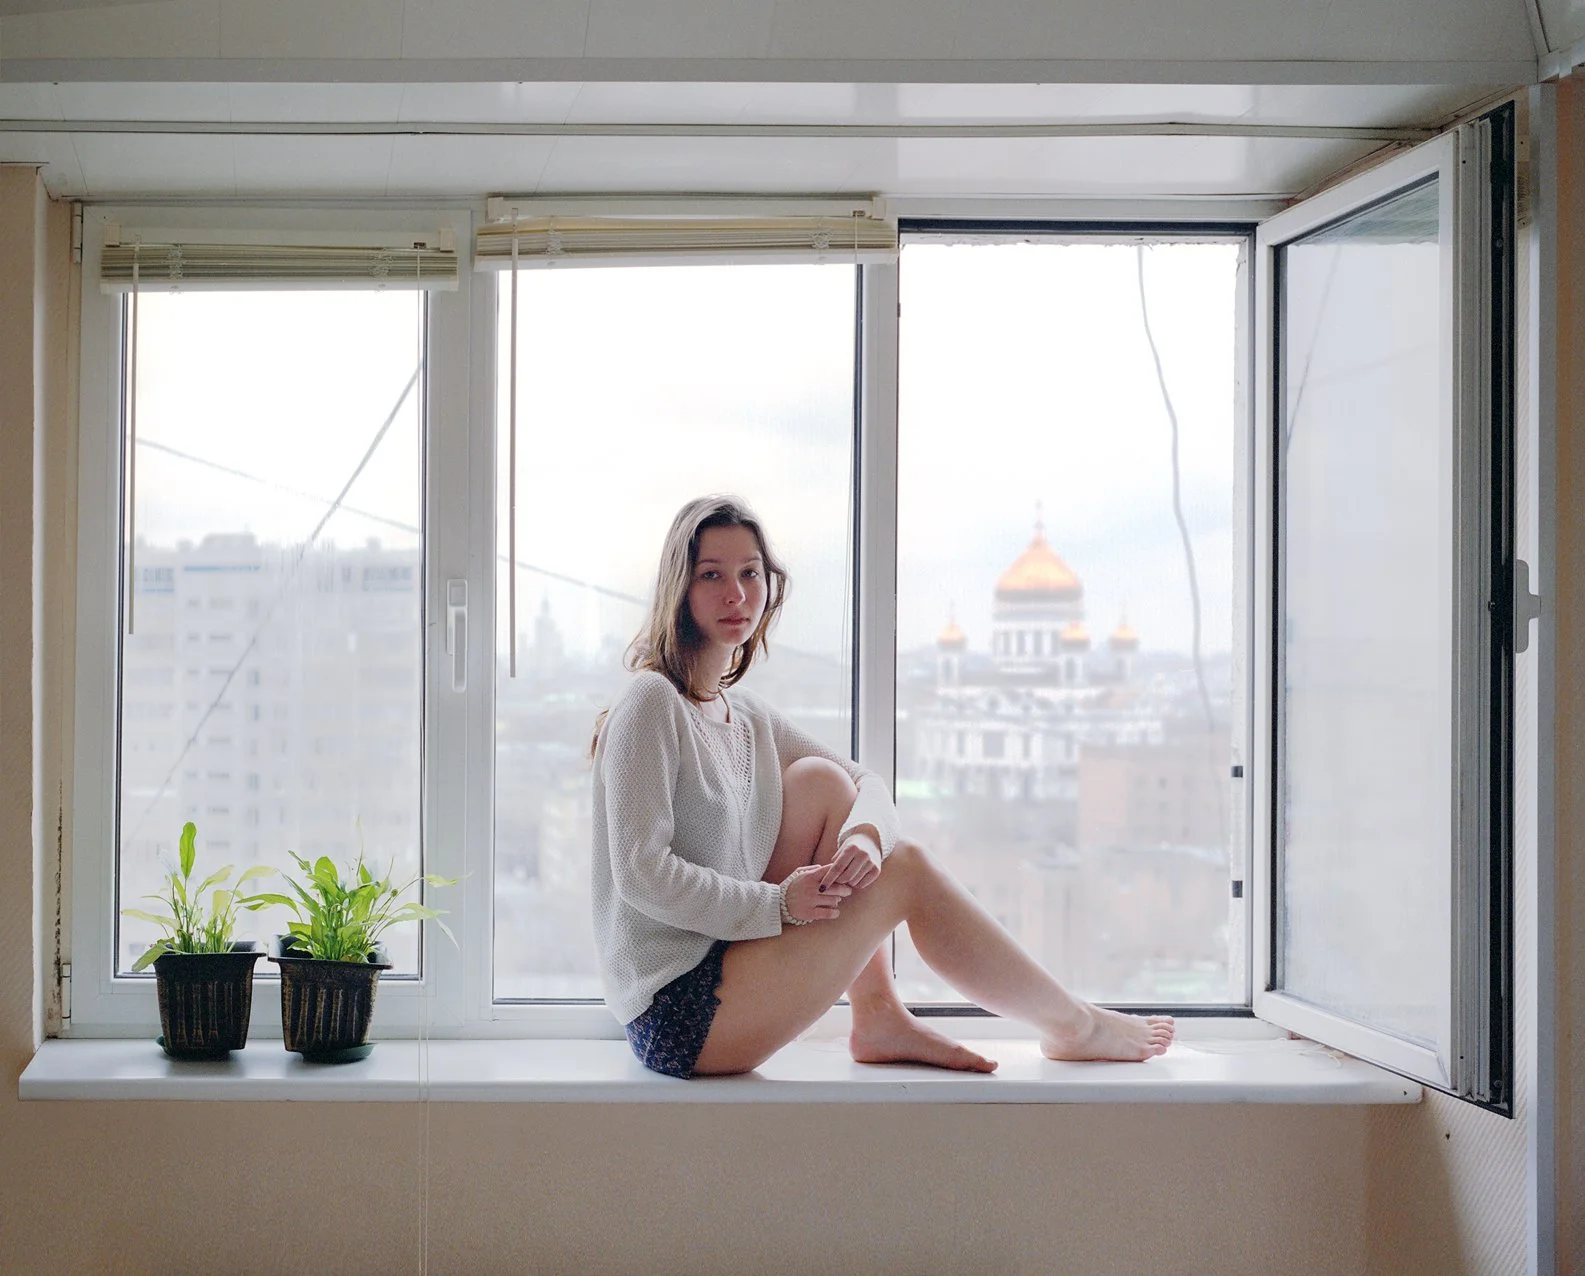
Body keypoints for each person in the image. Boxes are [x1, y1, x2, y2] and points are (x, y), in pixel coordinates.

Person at [591, 494, 1175, 1078]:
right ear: (679, 588)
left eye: (750, 573)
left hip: (729, 964)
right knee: (908, 871)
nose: (737, 594)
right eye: (711, 575)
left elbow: (865, 781)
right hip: (677, 1014)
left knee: (824, 784)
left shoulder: (742, 714)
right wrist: (778, 904)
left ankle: (878, 1014)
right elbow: (642, 875)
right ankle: (1074, 1026)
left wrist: (866, 838)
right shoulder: (651, 701)